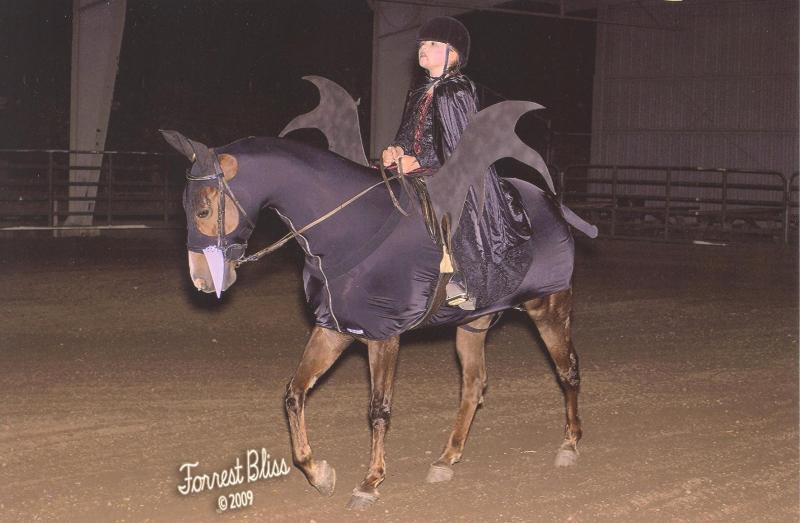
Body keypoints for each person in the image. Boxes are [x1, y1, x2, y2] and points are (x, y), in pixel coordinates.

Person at [381, 16, 533, 310]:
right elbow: (408, 130)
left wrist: (421, 160)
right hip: (416, 168)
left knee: (455, 210)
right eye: (423, 44)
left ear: (454, 54)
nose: (424, 48)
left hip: (452, 170)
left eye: (434, 44)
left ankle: (465, 279)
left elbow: (458, 142)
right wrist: (396, 150)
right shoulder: (418, 90)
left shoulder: (456, 90)